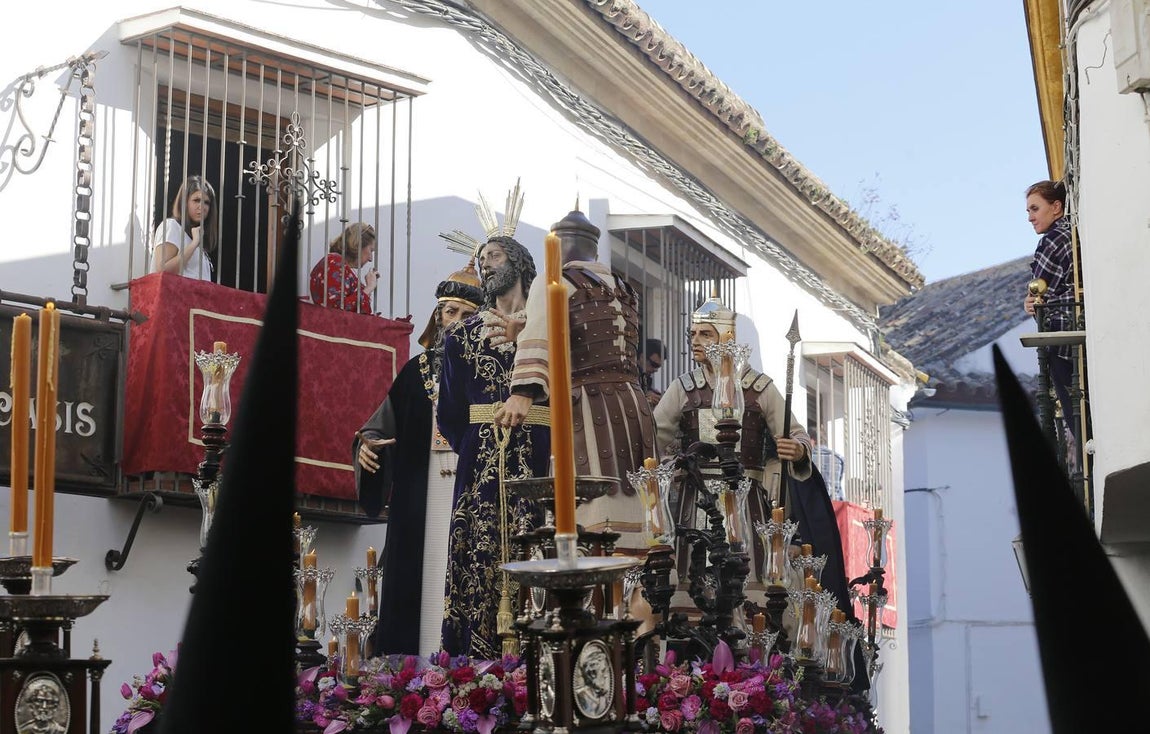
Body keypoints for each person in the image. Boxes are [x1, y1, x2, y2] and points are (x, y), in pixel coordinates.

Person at [496, 208, 656, 559]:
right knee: (641, 519)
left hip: (589, 408)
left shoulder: (554, 281)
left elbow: (542, 332)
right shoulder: (625, 289)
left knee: (589, 514)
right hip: (635, 408)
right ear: (593, 249)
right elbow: (583, 329)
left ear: (558, 245)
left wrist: (522, 392)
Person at [354, 259, 483, 656]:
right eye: (450, 311)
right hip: (419, 495)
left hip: (469, 492)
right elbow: (379, 425)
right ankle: (412, 673)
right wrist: (367, 445)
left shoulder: (488, 372)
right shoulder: (415, 372)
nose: (456, 320)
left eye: (466, 314)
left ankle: (463, 671)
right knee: (417, 579)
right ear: (438, 315)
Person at [436, 234, 549, 659]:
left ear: (518, 263)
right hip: (481, 459)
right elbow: (450, 412)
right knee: (477, 552)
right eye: (482, 259)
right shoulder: (461, 336)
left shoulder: (548, 329)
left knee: (538, 543)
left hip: (540, 452)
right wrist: (477, 442)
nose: (485, 264)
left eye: (495, 256)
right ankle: (472, 661)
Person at [651, 293, 812, 590]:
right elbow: (651, 439)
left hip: (747, 499)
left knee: (746, 582)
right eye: (693, 334)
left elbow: (796, 432)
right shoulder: (683, 389)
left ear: (727, 336)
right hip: (694, 499)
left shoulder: (760, 389)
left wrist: (798, 449)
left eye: (705, 334)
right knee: (694, 580)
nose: (695, 341)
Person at [1022, 179, 1077, 436]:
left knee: (1073, 411)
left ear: (1056, 207)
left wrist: (1030, 303)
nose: (1030, 218)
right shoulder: (1072, 232)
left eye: (1035, 209)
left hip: (1062, 336)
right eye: (1029, 211)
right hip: (1075, 332)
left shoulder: (1052, 240)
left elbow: (1038, 298)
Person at [152, 175, 218, 281]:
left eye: (207, 202)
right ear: (184, 202)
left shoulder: (196, 239)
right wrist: (193, 244)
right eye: (196, 200)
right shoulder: (171, 226)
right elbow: (163, 271)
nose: (202, 206)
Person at [308, 222, 379, 313]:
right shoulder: (333, 262)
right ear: (358, 245)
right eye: (371, 250)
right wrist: (368, 288)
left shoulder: (339, 264)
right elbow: (336, 310)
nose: (370, 259)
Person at [639, 338, 667, 408]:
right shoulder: (629, 374)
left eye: (658, 366)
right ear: (642, 357)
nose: (656, 370)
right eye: (654, 365)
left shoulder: (645, 377)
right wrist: (643, 397)